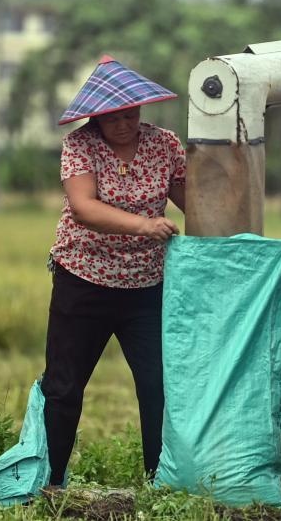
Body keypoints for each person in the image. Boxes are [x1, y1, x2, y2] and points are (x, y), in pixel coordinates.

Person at [41, 55, 185, 487]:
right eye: (114, 117)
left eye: (131, 114)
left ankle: (159, 479)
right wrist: (145, 225)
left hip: (145, 286)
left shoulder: (165, 145)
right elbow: (84, 208)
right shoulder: (80, 146)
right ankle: (52, 479)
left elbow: (193, 202)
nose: (124, 123)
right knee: (65, 386)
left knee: (158, 385)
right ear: (96, 116)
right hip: (83, 279)